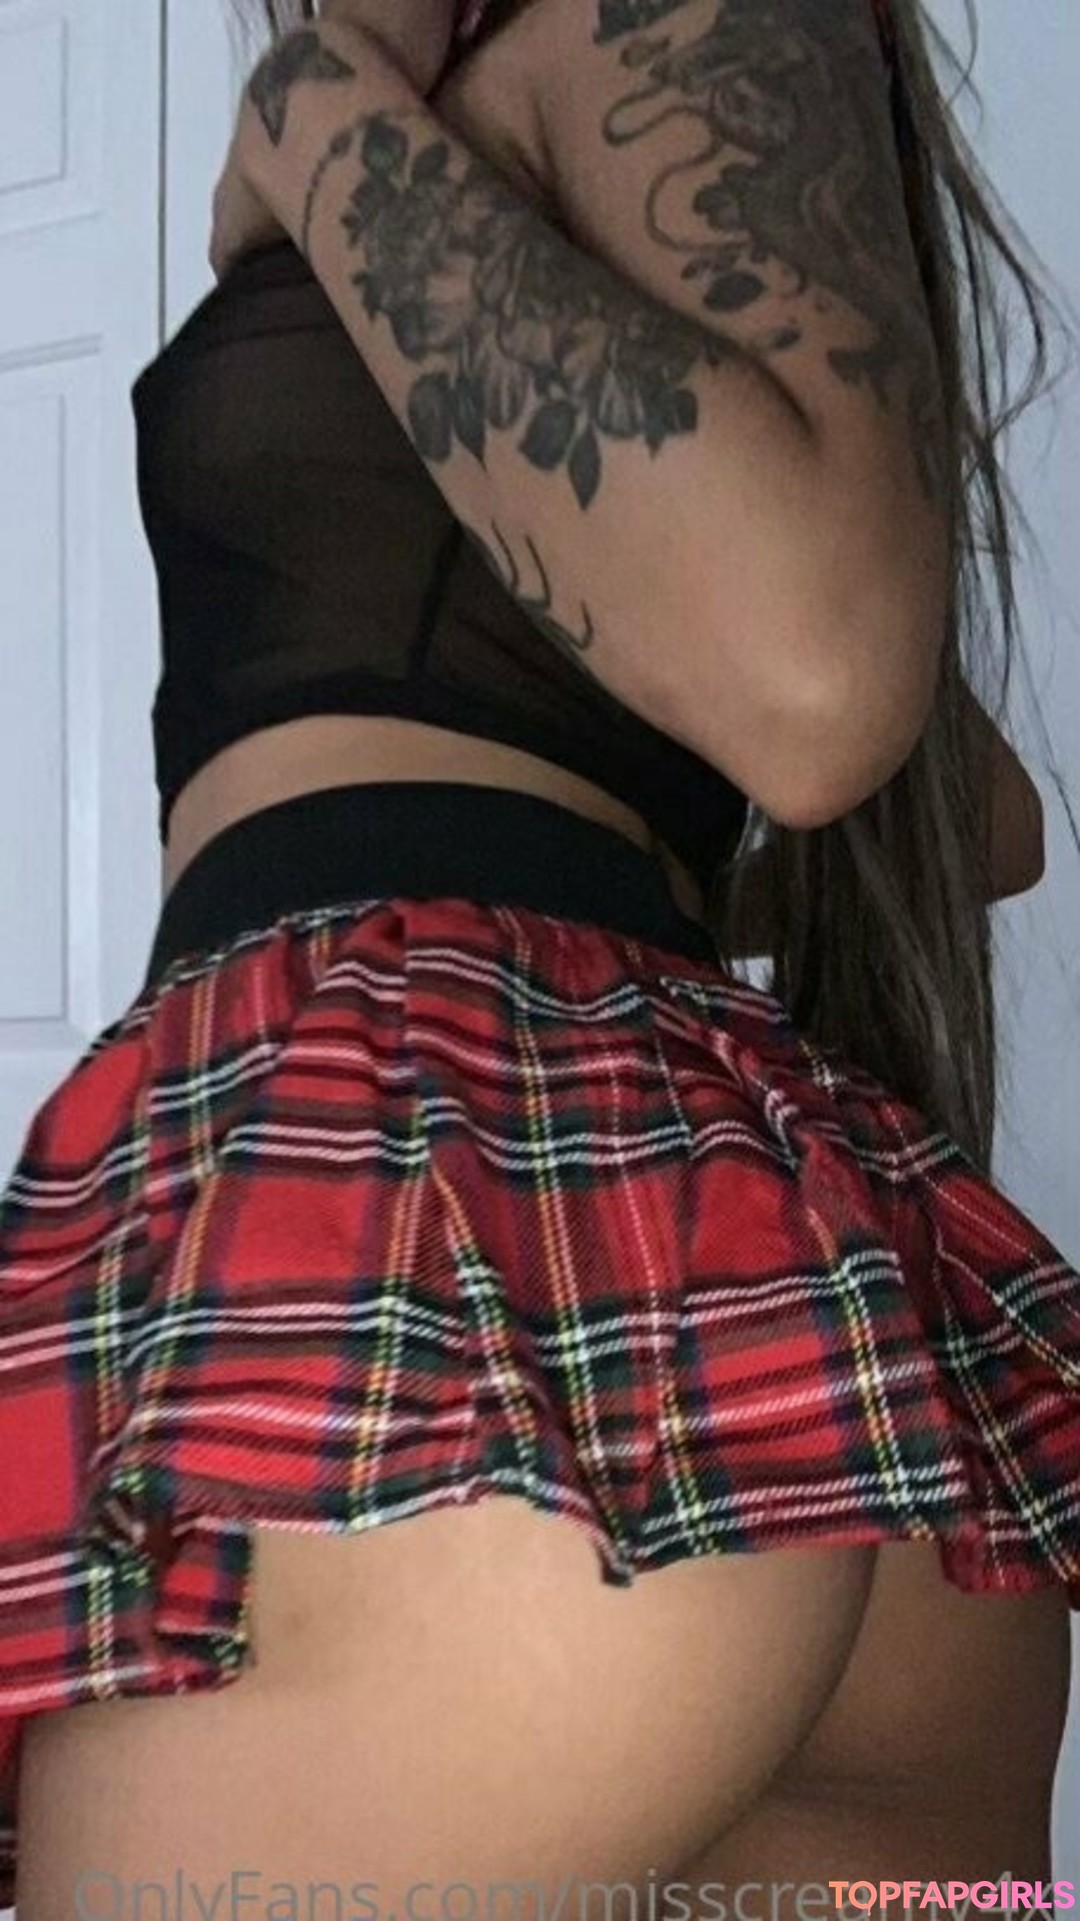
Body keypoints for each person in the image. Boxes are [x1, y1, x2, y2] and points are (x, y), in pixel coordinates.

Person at [2, 0, 1078, 1907]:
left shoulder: (574, 40)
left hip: (429, 1285)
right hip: (783, 1354)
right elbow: (965, 801)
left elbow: (823, 672)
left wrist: (307, 103)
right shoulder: (505, 128)